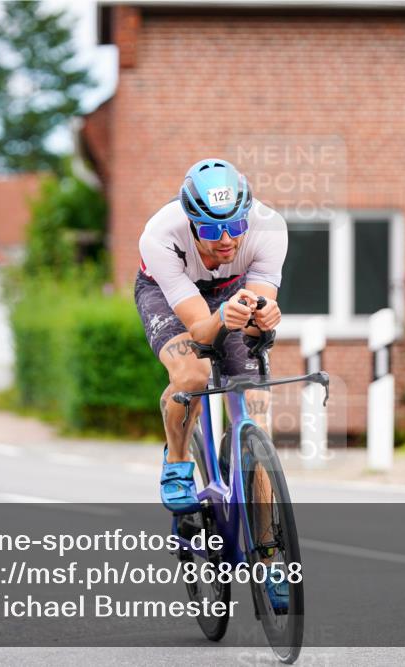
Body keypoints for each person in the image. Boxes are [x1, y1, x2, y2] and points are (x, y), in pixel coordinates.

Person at [135, 158, 288, 607]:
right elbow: (202, 331)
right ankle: (178, 459)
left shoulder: (269, 230)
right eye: (210, 231)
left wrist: (264, 320)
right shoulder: (161, 236)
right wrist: (221, 318)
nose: (226, 240)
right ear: (190, 222)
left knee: (256, 415)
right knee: (193, 373)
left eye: (235, 226)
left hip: (234, 291)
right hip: (170, 293)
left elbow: (259, 319)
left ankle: (270, 557)